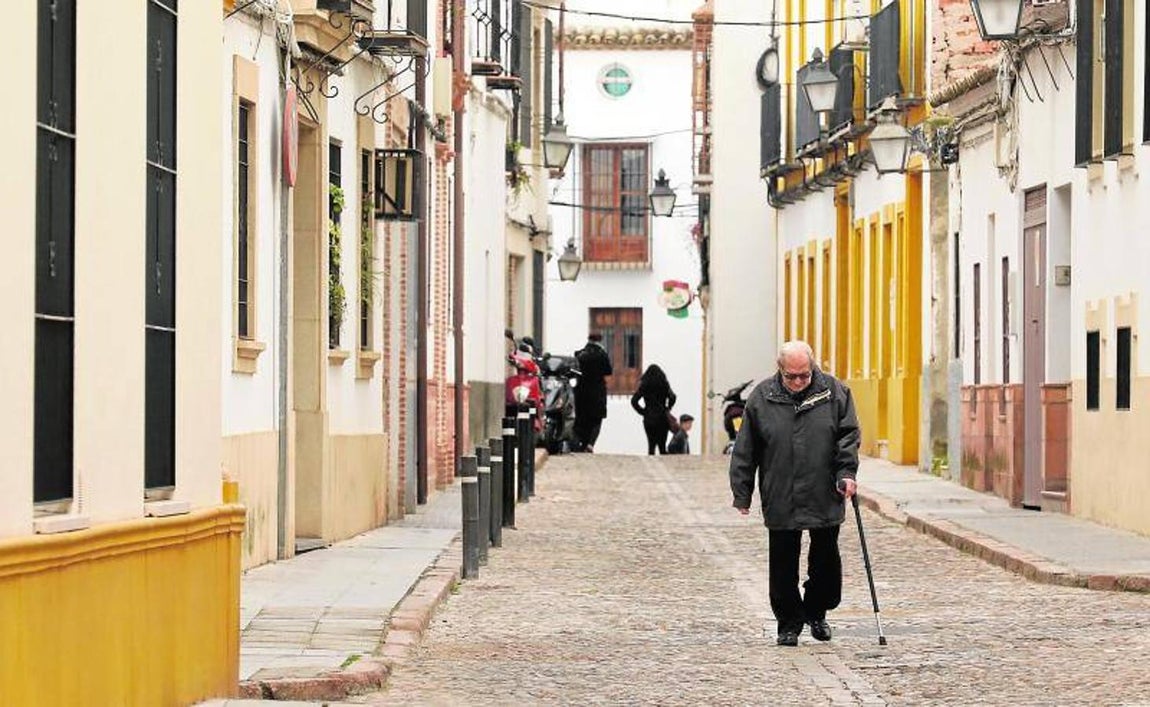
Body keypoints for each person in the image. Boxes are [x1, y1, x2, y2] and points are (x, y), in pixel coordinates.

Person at [729, 340, 860, 647]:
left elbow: (848, 435)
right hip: (780, 488)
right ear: (780, 371)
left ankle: (817, 610)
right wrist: (742, 491)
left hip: (824, 488)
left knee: (826, 559)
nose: (800, 381)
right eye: (792, 376)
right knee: (783, 561)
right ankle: (788, 623)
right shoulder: (762, 397)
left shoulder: (835, 392)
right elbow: (746, 448)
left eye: (805, 375)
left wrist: (847, 474)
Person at [573, 333, 613, 452]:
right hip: (597, 391)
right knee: (596, 419)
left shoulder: (579, 354)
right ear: (600, 340)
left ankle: (581, 443)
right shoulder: (602, 355)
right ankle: (590, 444)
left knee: (581, 418)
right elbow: (608, 371)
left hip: (581, 391)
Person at [630, 365, 677, 455]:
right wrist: (668, 408)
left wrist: (643, 412)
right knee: (662, 447)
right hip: (662, 418)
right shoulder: (664, 384)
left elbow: (634, 401)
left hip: (649, 418)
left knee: (651, 446)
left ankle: (651, 464)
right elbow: (673, 397)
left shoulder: (644, 385)